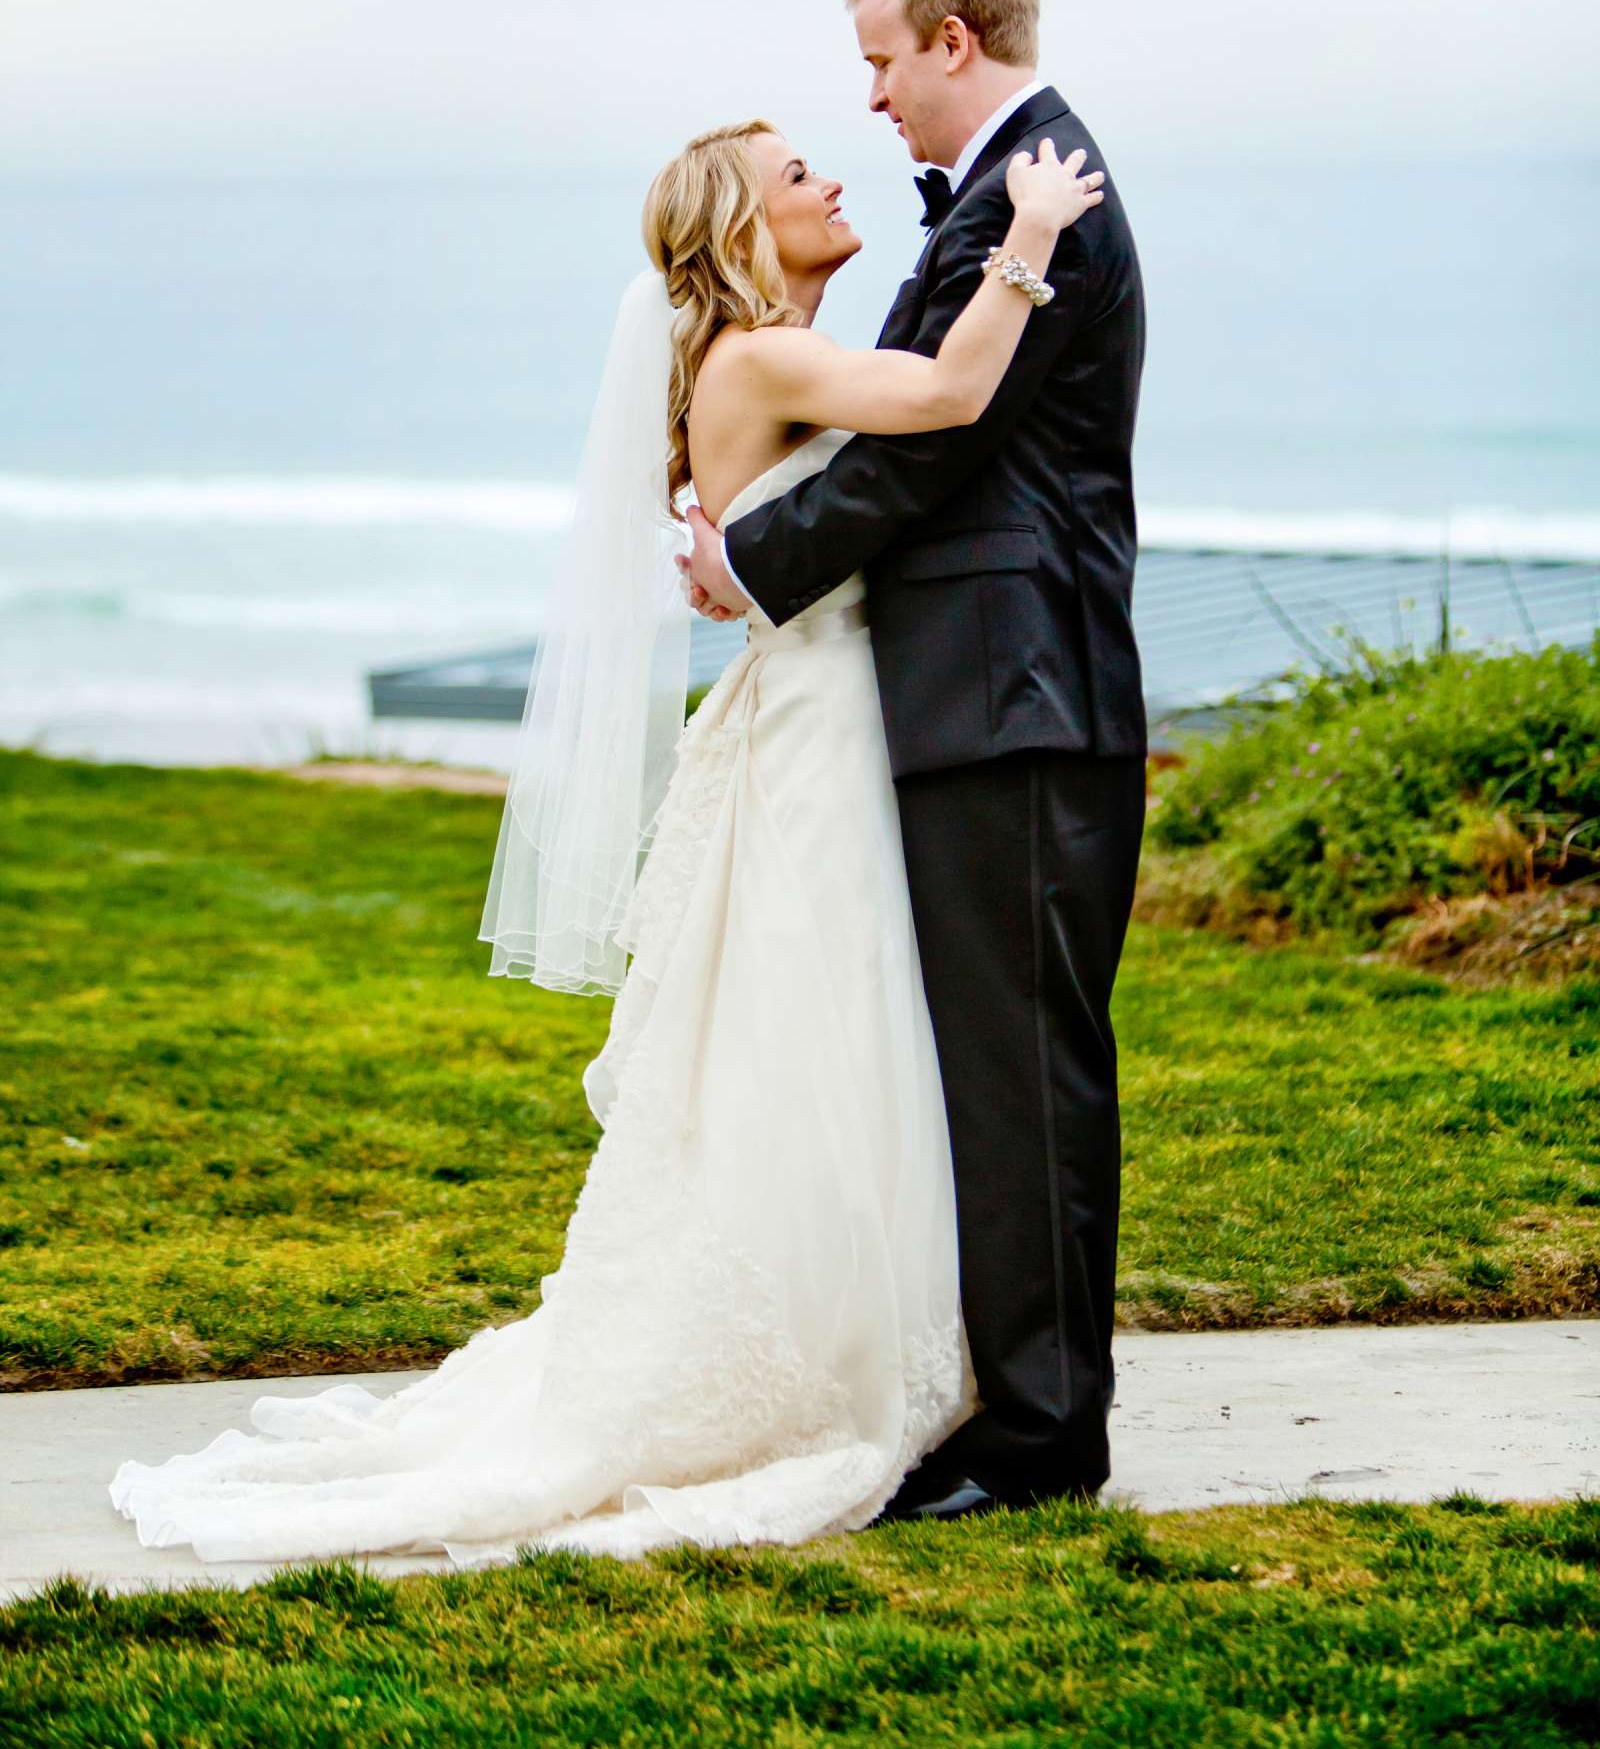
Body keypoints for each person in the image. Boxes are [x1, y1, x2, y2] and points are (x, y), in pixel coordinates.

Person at [107, 106, 1102, 1569]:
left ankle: (862, 1327)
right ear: (742, 229)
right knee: (820, 1044)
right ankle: (823, 1353)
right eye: (796, 176)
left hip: (817, 717)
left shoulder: (748, 359)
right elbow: (955, 399)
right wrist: (1027, 239)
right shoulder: (759, 357)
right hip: (819, 735)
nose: (831, 177)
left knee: (809, 1048)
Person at [683, 0, 1147, 1518]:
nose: (873, 99)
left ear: (955, 42)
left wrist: (747, 559)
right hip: (990, 692)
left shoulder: (1045, 199)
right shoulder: (1009, 197)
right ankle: (1020, 1407)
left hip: (1014, 695)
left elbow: (925, 451)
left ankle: (1039, 1444)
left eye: (880, 59)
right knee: (1001, 1077)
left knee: (1022, 1079)